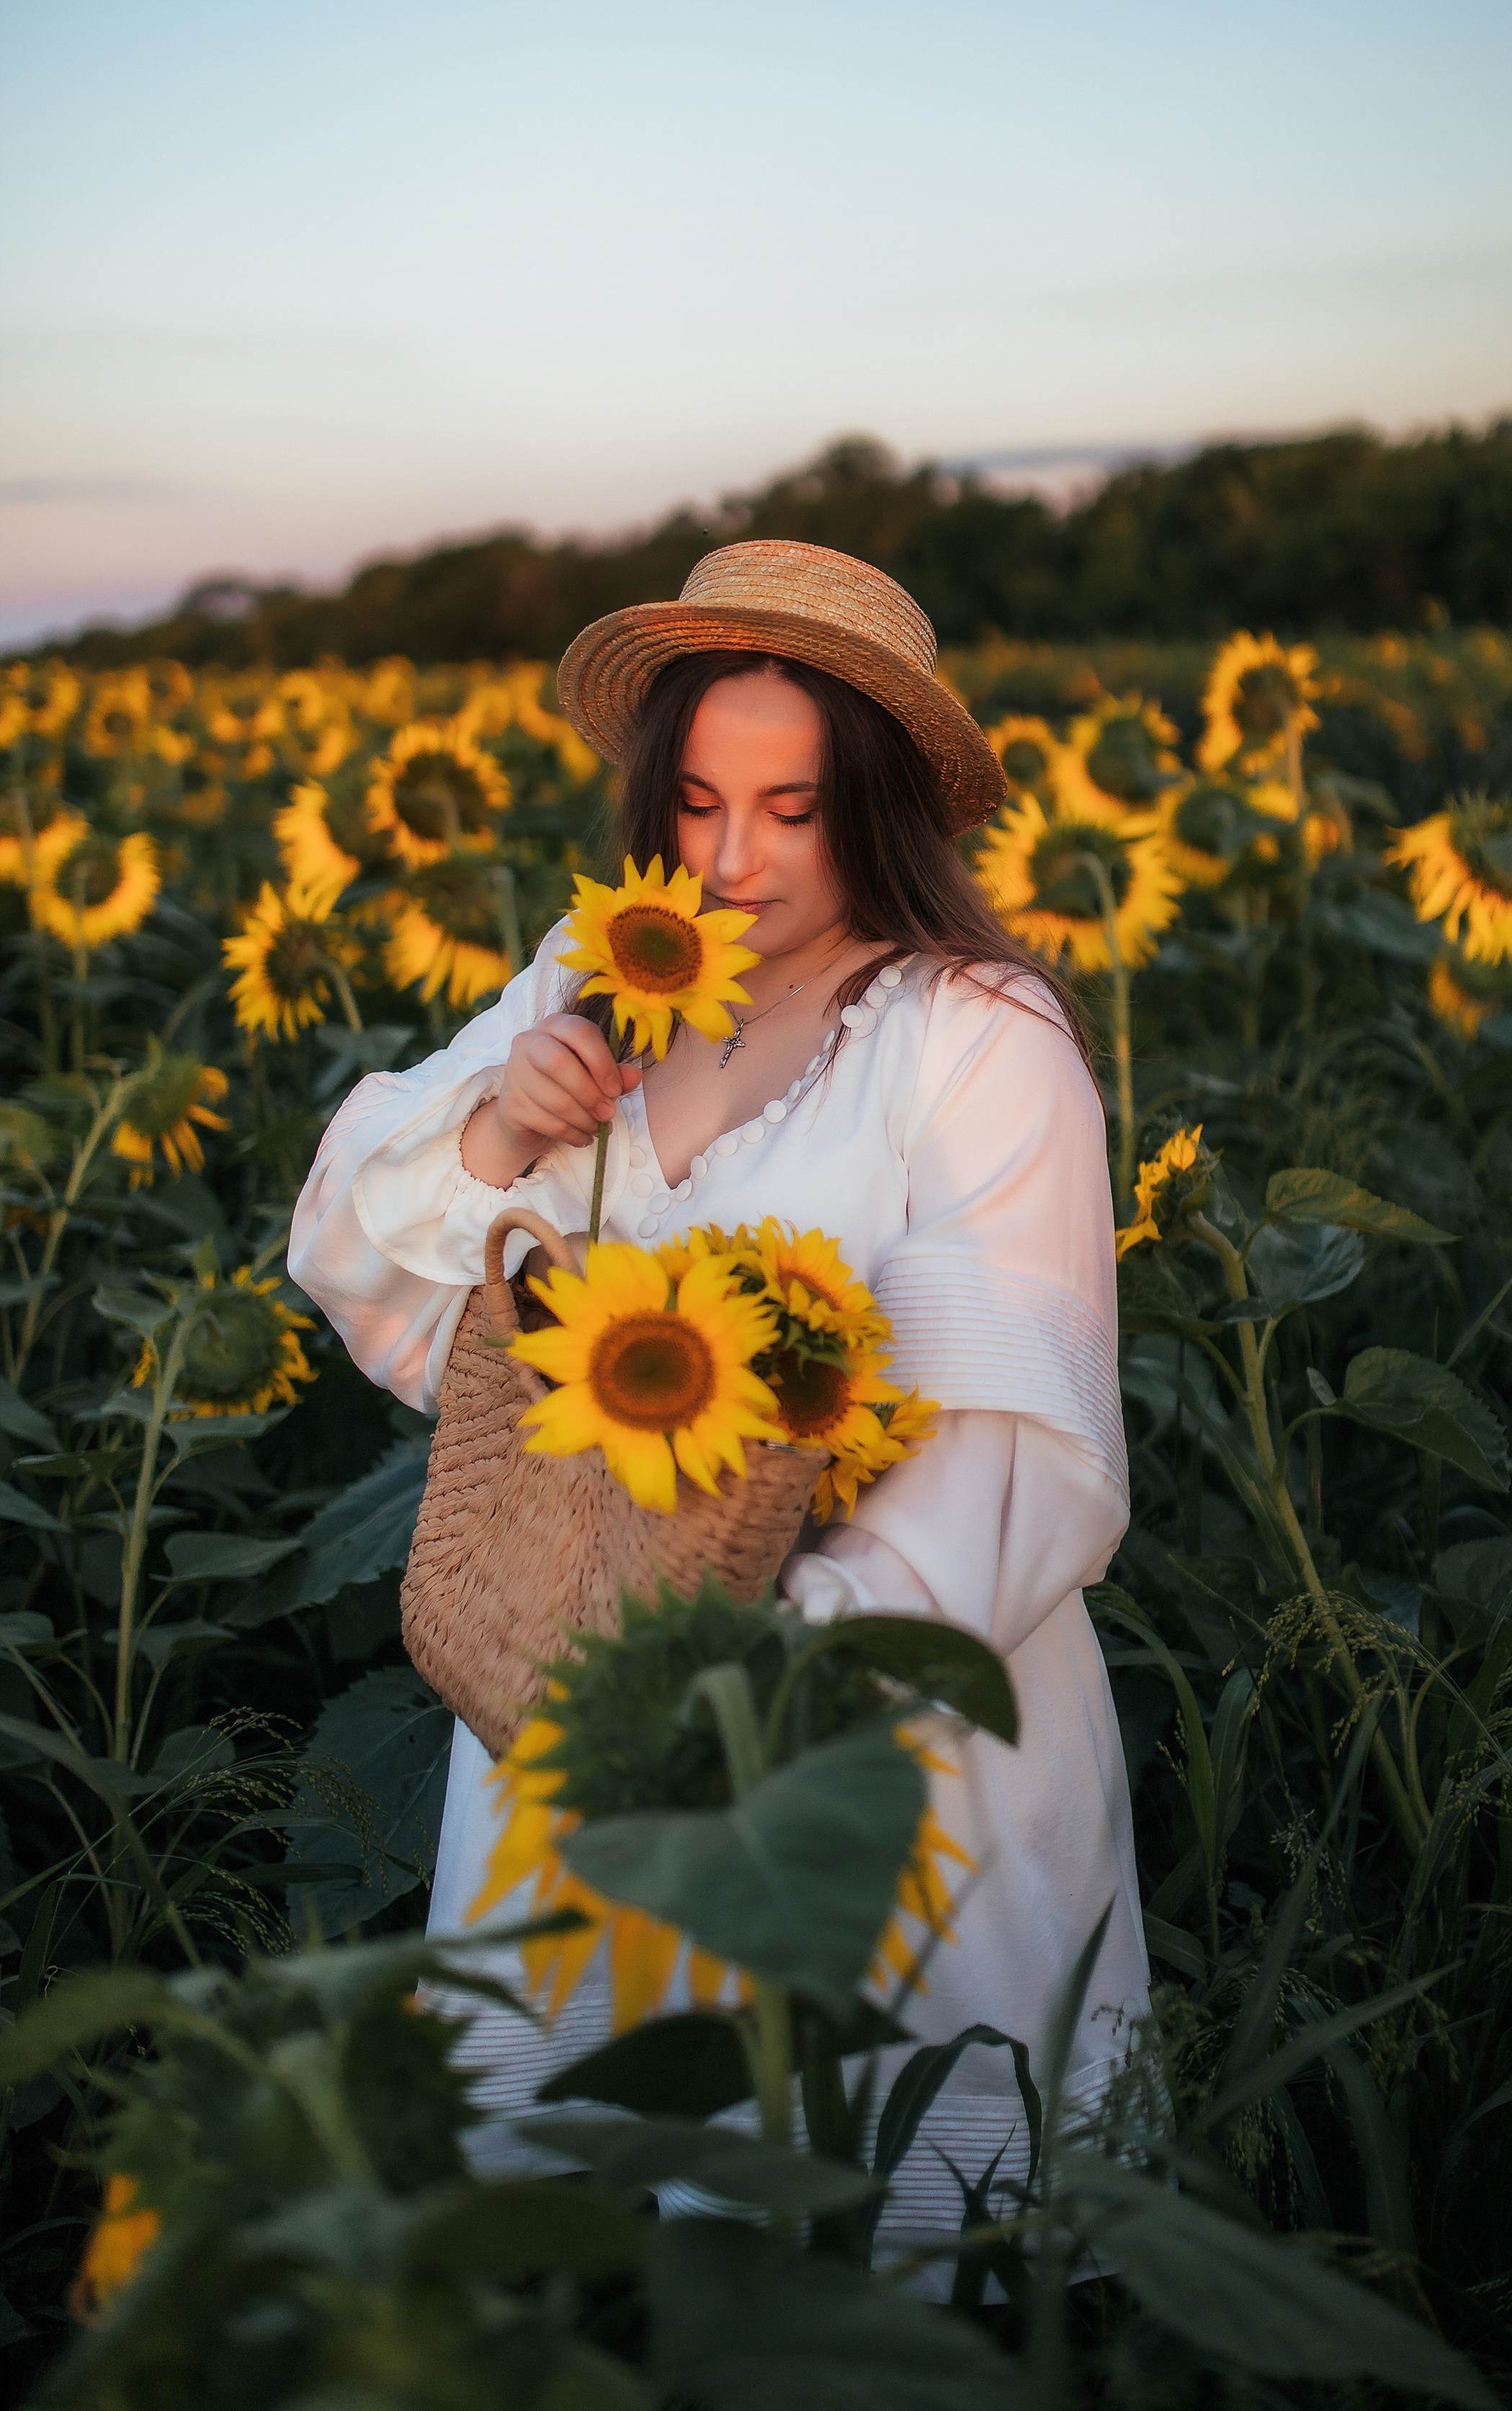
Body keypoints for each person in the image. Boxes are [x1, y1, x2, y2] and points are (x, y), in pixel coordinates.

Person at [290, 539, 1148, 2248]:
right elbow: (353, 1244)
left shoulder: (974, 1033)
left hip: (872, 1732)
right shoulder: (596, 972)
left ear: (879, 805)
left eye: (791, 810)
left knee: (870, 2221)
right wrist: (501, 1127)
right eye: (695, 804)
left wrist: (755, 1670)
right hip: (574, 1691)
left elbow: (1014, 1450)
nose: (732, 860)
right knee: (590, 2245)